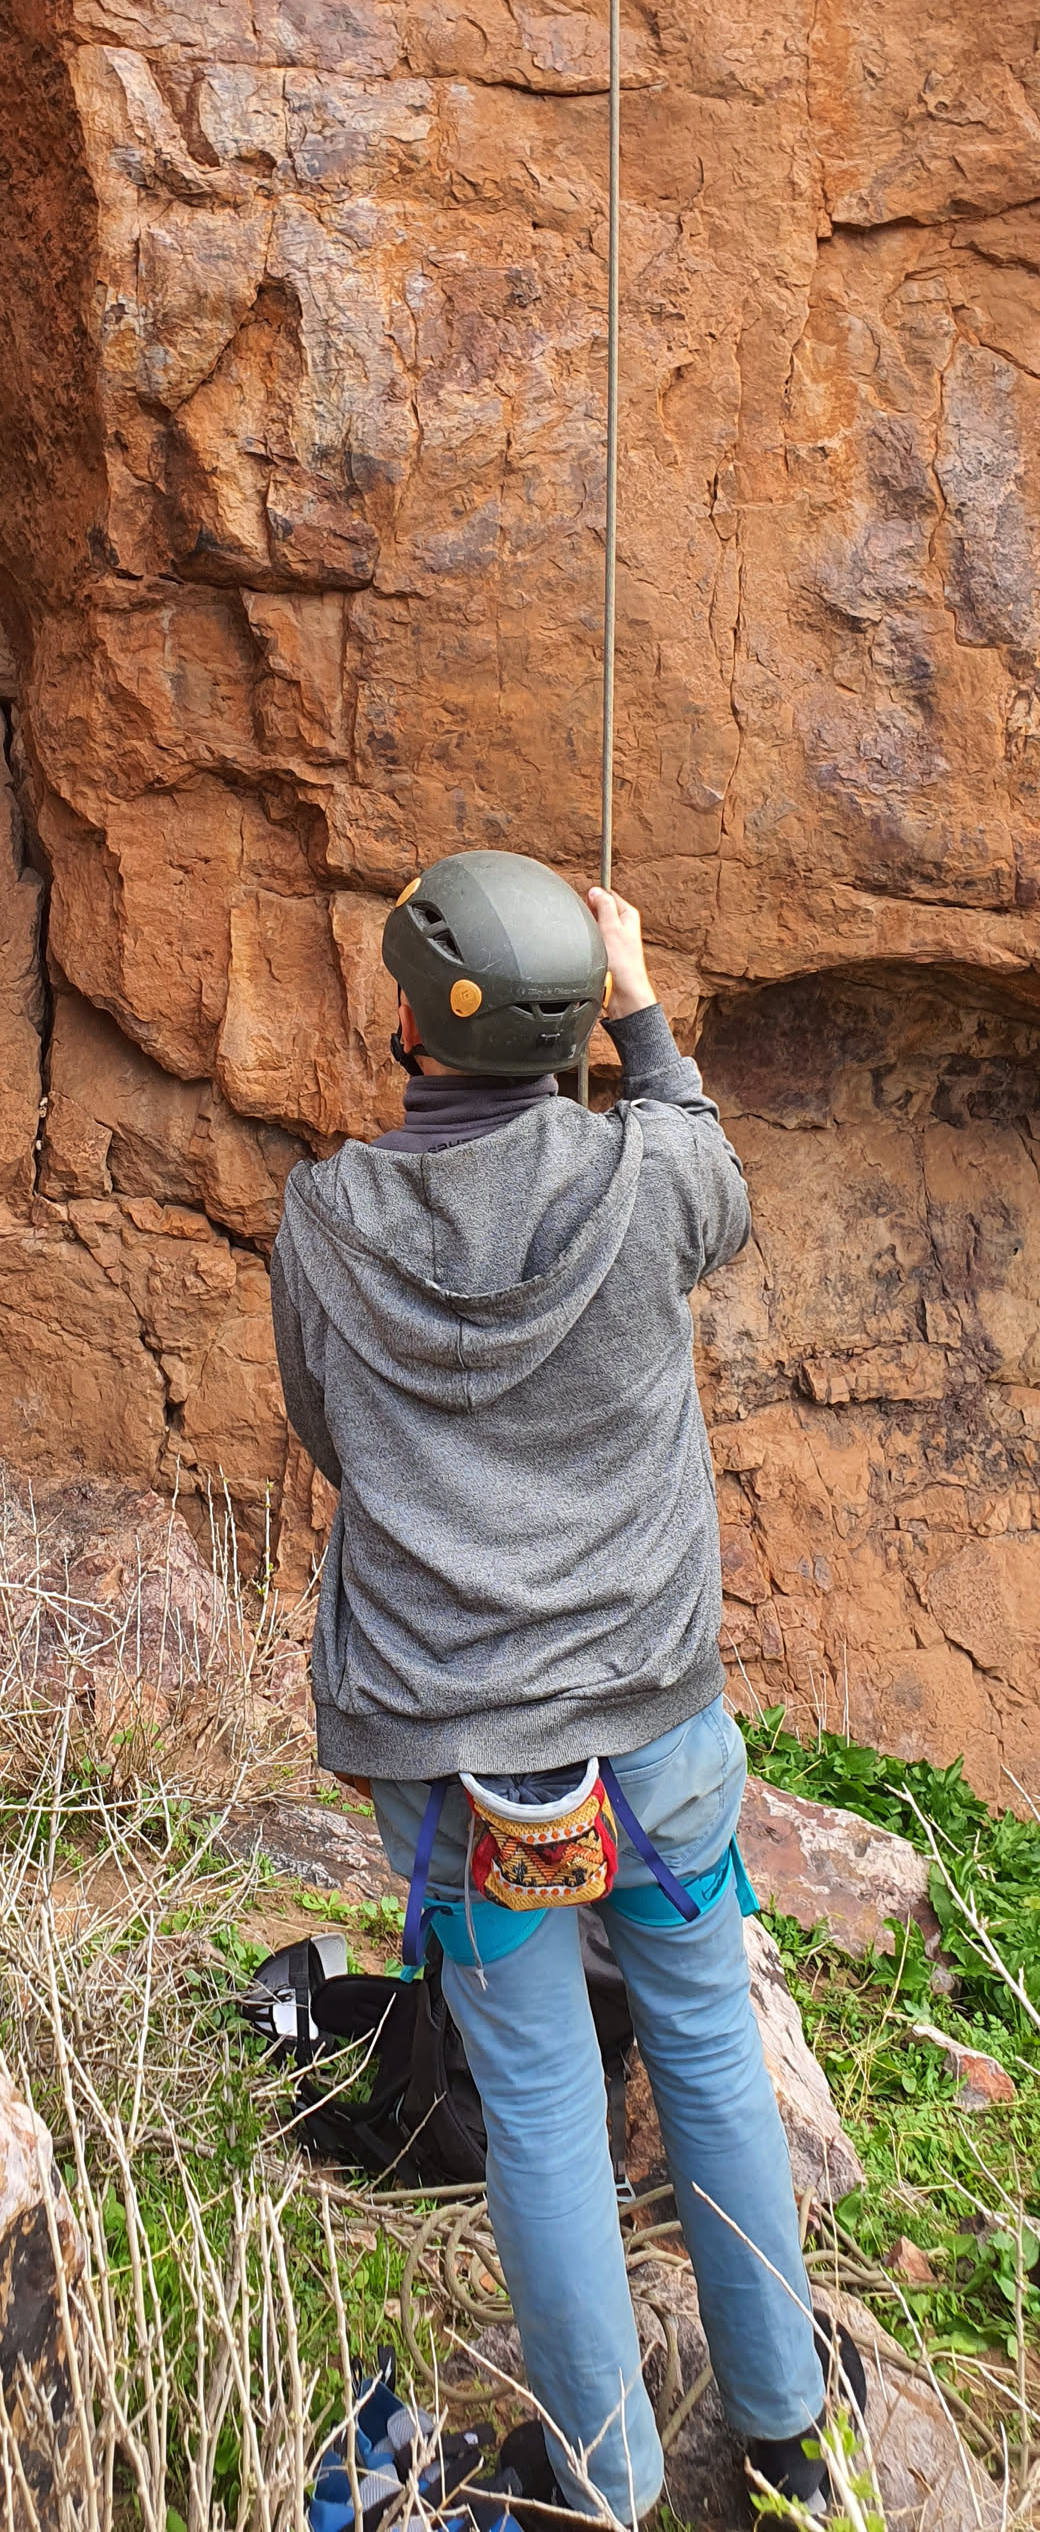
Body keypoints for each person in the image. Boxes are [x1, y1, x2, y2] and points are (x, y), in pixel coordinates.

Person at [269, 849, 851, 2526]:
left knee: (536, 2095)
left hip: (461, 1751)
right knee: (706, 2041)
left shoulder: (330, 1222)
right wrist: (640, 1008)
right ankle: (790, 2435)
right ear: (567, 1028)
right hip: (654, 1727)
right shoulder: (648, 1176)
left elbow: (329, 1433)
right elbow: (714, 1166)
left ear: (413, 1022)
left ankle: (599, 2473)